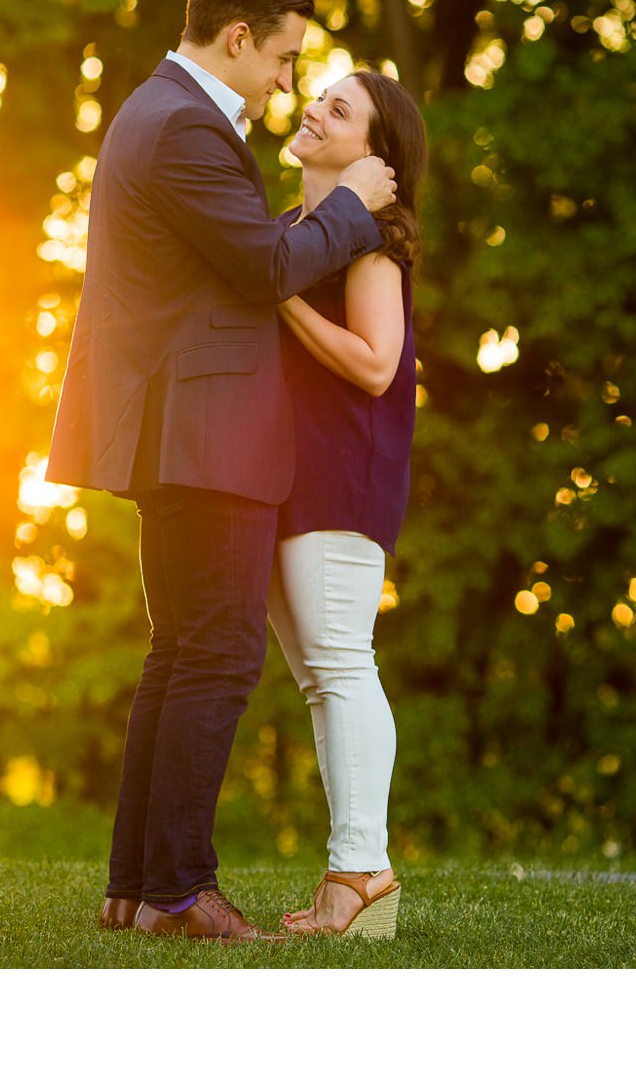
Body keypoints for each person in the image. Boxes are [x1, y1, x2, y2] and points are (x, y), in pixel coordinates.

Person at [45, 0, 396, 943]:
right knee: (220, 655)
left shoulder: (159, 113)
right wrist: (351, 202)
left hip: (181, 426)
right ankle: (176, 891)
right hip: (206, 430)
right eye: (283, 59)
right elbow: (263, 266)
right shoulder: (183, 127)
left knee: (180, 654)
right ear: (237, 38)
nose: (288, 82)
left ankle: (134, 883)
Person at [266, 69, 426, 939]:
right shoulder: (298, 231)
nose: (313, 110)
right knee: (318, 678)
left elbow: (375, 362)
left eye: (339, 109)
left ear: (375, 153)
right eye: (316, 96)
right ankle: (348, 878)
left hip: (343, 474)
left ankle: (362, 870)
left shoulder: (365, 243)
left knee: (341, 664)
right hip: (290, 477)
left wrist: (279, 291)